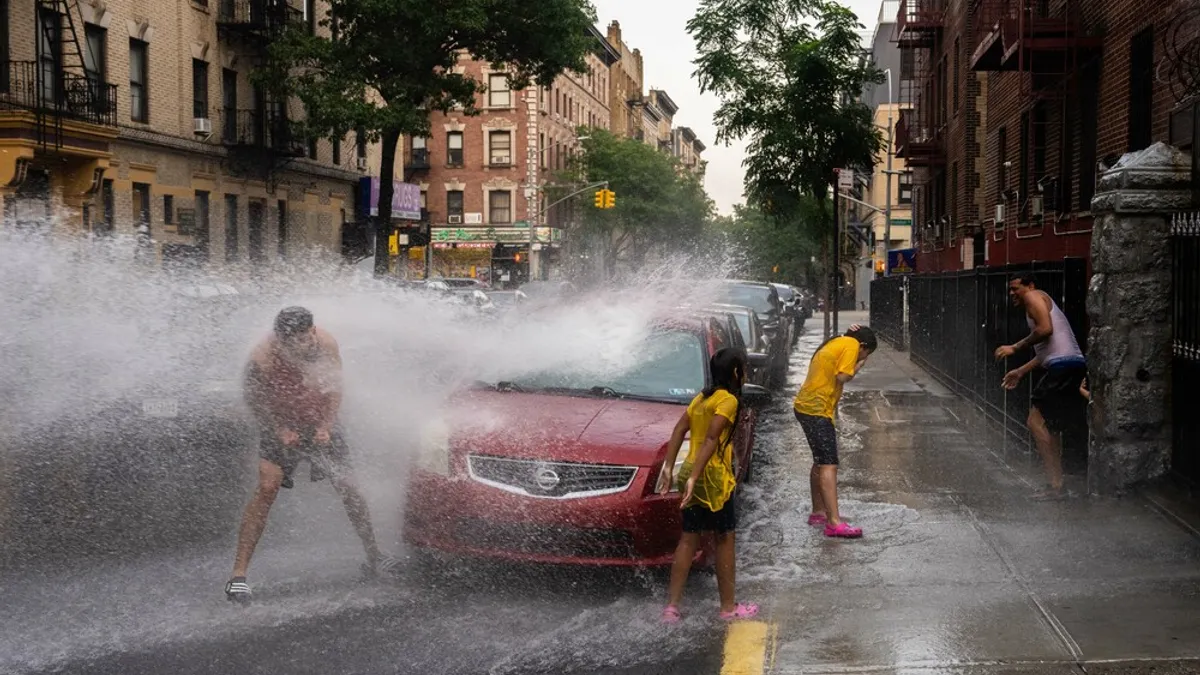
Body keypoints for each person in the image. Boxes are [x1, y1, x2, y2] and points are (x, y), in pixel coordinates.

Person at [225, 307, 395, 603]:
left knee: (349, 487)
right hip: (280, 423)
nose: (305, 345)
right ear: (281, 340)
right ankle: (237, 577)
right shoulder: (262, 356)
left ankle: (374, 557)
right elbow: (252, 399)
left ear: (313, 331)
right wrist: (279, 428)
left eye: (307, 337)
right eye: (296, 342)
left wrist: (327, 425)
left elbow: (335, 386)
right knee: (267, 488)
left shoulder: (326, 344)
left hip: (318, 420)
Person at [657, 347, 758, 623]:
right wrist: (696, 477)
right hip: (712, 478)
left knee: (689, 537)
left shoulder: (701, 399)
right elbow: (713, 439)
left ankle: (672, 607)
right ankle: (728, 608)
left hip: (690, 469)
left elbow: (679, 430)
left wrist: (671, 469)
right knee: (724, 538)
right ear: (737, 373)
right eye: (744, 369)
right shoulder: (728, 401)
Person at [996, 275, 1087, 501]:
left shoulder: (1033, 297)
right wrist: (1020, 371)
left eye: (1015, 288)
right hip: (1068, 366)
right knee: (1052, 428)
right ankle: (1058, 485)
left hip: (1063, 367)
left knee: (1034, 422)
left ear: (1030, 286)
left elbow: (1045, 330)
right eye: (1010, 290)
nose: (1012, 294)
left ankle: (1055, 485)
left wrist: (1015, 347)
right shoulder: (1037, 302)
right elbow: (1046, 351)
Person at [794, 326, 878, 538]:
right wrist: (858, 365)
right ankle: (833, 522)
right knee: (830, 465)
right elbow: (842, 376)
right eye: (866, 354)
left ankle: (818, 512)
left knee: (820, 461)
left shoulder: (838, 341)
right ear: (863, 346)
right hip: (817, 410)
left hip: (805, 406)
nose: (863, 357)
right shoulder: (851, 345)